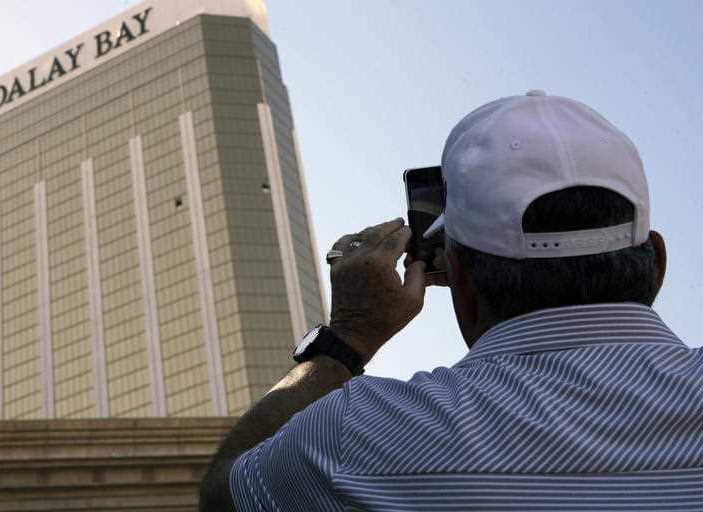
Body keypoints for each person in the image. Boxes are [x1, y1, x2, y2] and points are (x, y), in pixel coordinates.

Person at [199, 91, 703, 511]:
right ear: (656, 262)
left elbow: (225, 494)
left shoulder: (360, 433)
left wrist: (347, 336)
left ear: (457, 275)